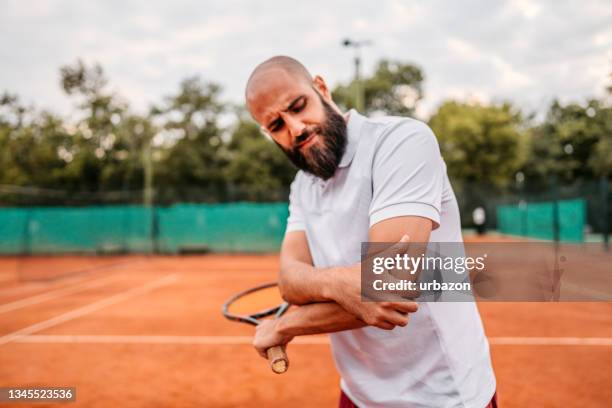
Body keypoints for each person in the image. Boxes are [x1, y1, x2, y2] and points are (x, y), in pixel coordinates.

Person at [245, 56, 497, 408]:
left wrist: (285, 326)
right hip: (359, 395)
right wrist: (339, 283)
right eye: (276, 125)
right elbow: (288, 279)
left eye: (298, 106)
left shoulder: (401, 142)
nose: (296, 127)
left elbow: (389, 286)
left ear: (320, 87)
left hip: (445, 397)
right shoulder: (302, 186)